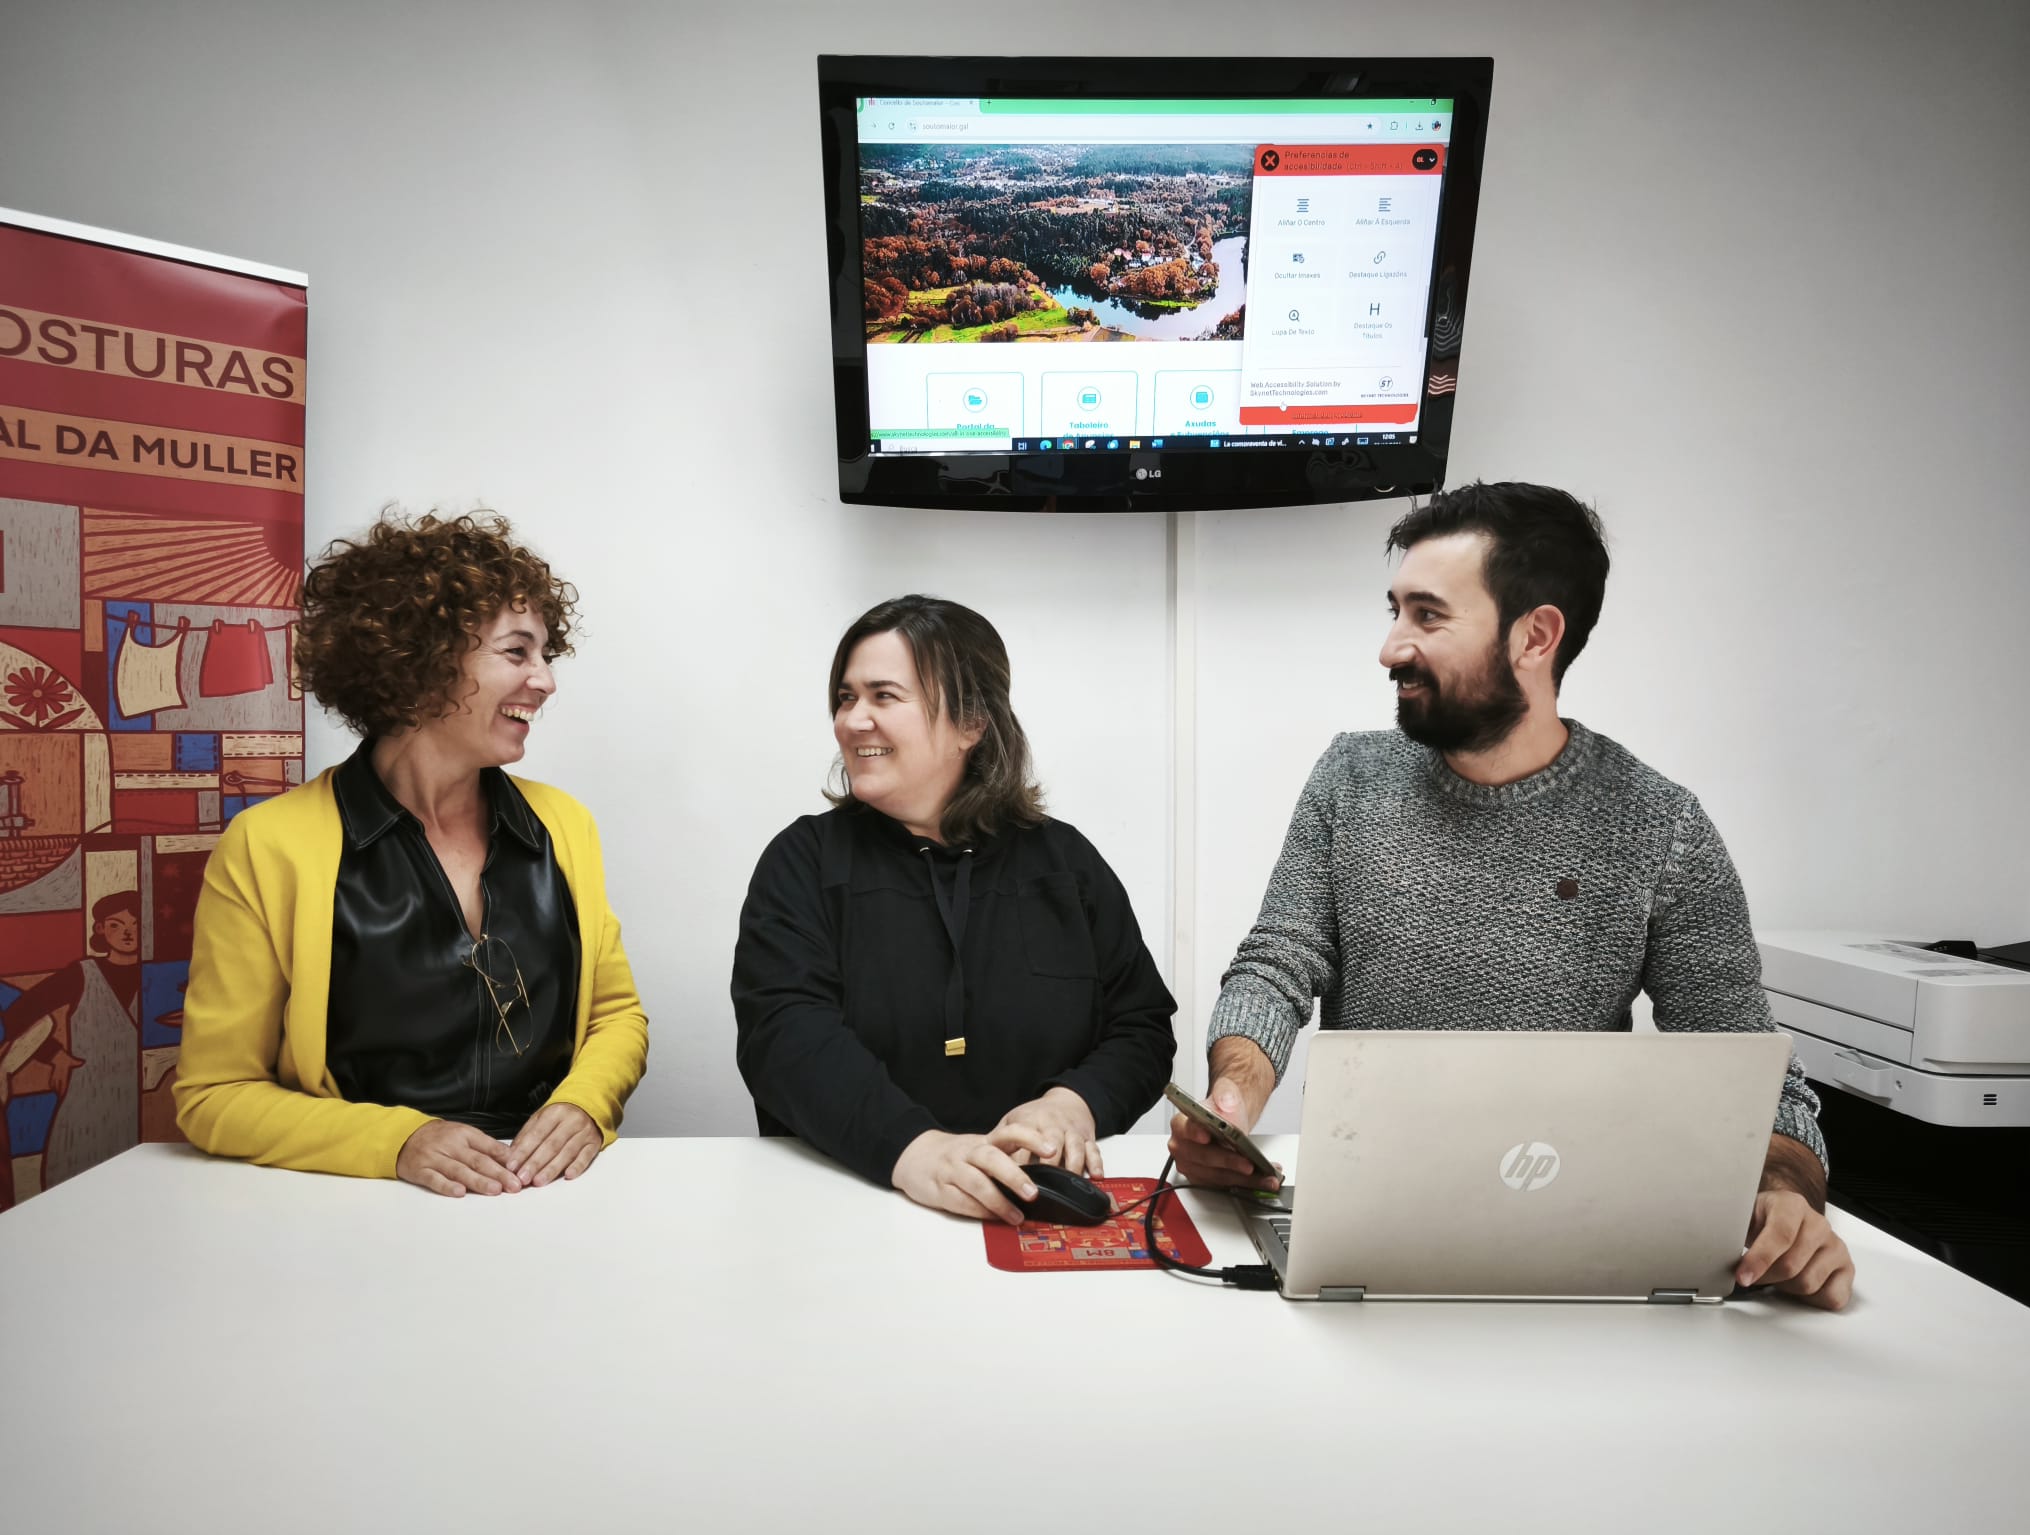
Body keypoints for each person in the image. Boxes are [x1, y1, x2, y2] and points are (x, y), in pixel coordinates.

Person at [1168, 482, 1855, 1309]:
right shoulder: (1351, 778)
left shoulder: (1659, 823)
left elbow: (1754, 1069)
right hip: (1364, 1233)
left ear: (1536, 636)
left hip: (1580, 1249)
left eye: (1428, 616)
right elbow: (1277, 964)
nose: (1390, 647)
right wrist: (1233, 1099)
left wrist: (1786, 1192)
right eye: (1395, 611)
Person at [175, 511, 648, 1197]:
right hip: (363, 1196)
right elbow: (213, 1094)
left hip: (545, 1197)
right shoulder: (268, 845)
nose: (545, 681)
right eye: (517, 653)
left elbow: (615, 1016)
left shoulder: (564, 824)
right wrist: (397, 1144)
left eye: (546, 655)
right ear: (423, 663)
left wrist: (584, 1104)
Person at [733, 595, 1175, 1225]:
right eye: (846, 697)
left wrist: (1073, 1103)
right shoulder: (802, 861)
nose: (854, 720)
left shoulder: (1066, 864)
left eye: (884, 696)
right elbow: (784, 1038)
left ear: (971, 722)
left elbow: (1141, 1026)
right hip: (849, 1207)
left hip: (1033, 1212)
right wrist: (919, 1154)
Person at [0, 891, 143, 1199]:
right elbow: (16, 1017)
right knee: (73, 1186)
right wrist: (56, 1055)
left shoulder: (162, 973)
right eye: (116, 925)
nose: (128, 932)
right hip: (87, 1100)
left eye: (135, 922)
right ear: (101, 930)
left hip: (141, 1103)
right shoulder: (82, 974)